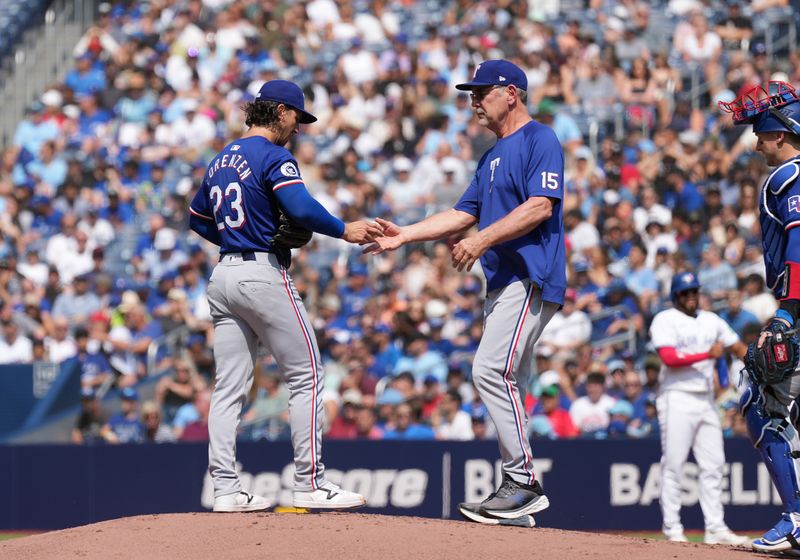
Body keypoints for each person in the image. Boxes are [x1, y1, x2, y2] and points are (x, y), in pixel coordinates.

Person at [365, 59, 565, 524]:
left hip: (528, 276)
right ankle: (517, 501)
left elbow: (540, 206)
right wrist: (405, 235)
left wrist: (481, 239)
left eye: (482, 91)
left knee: (490, 371)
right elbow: (461, 215)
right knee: (509, 379)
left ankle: (522, 483)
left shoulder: (541, 138)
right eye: (470, 93)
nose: (474, 100)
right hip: (503, 282)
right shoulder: (491, 154)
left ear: (511, 93)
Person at [188, 79, 380, 513]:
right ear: (277, 111)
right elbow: (301, 208)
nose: (298, 127)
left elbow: (197, 219)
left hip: (223, 275)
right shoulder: (275, 155)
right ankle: (310, 482)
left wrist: (237, 233)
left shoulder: (221, 159)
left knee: (228, 388)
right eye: (296, 116)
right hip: (260, 272)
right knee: (307, 374)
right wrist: (345, 229)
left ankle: (225, 491)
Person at [721, 80, 800, 553]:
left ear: (780, 132)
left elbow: (798, 245)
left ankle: (795, 517)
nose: (756, 141)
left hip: (799, 306)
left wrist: (787, 313)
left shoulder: (789, 176)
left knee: (756, 392)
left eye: (761, 132)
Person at [648, 271, 749, 546]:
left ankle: (715, 527)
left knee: (714, 464)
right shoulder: (665, 319)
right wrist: (708, 354)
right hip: (675, 396)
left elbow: (737, 346)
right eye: (685, 292)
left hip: (705, 400)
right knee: (674, 464)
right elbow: (668, 358)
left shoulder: (711, 320)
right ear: (675, 295)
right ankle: (672, 528)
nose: (691, 296)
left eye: (694, 291)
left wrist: (756, 363)